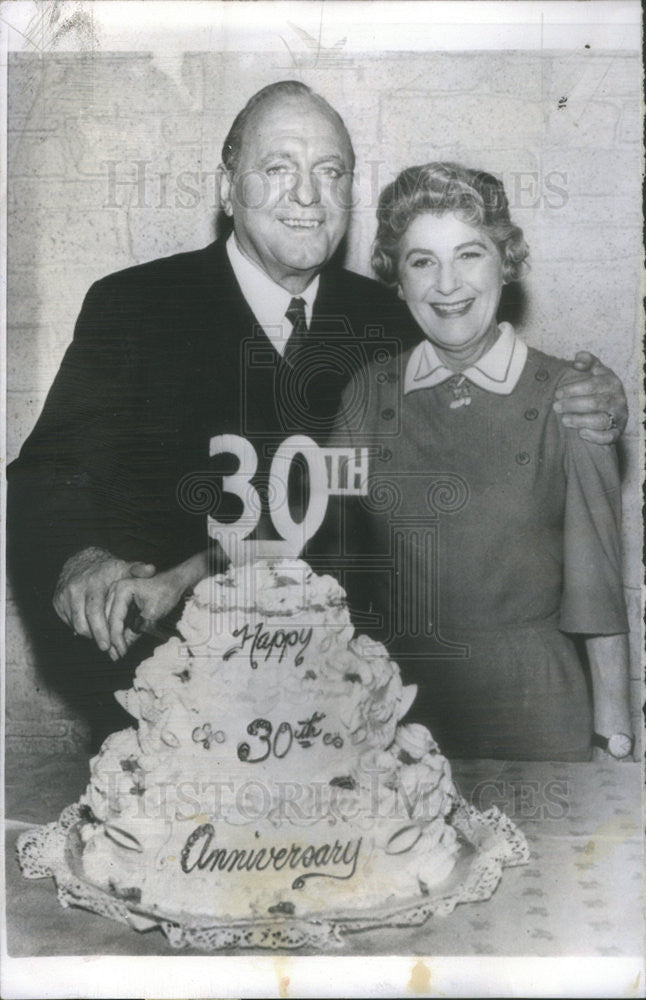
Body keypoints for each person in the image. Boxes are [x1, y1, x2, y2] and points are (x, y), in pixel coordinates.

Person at [7, 83, 629, 747]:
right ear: (226, 190)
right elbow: (48, 473)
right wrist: (77, 560)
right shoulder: (136, 306)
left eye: (329, 172)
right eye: (278, 169)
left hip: (359, 723)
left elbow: (503, 409)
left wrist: (596, 396)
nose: (307, 196)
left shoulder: (400, 316)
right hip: (176, 712)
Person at [330, 162, 632, 762]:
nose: (447, 285)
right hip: (395, 716)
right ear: (397, 277)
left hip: (536, 712)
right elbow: (322, 554)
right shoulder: (364, 395)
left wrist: (615, 738)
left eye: (469, 255)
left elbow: (598, 592)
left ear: (506, 263)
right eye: (422, 261)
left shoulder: (572, 397)